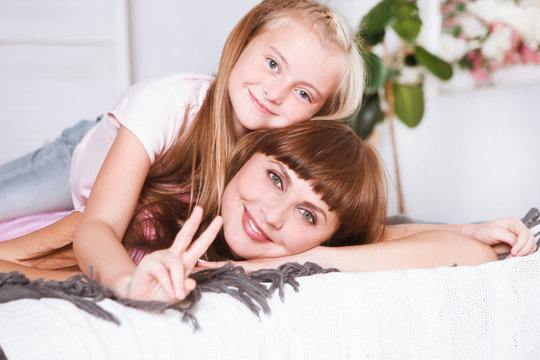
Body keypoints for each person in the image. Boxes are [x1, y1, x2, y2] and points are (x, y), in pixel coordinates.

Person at [0, 0, 364, 293]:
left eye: (303, 93)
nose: (275, 92)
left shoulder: (270, 158)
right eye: (272, 64)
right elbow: (98, 225)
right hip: (77, 160)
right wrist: (127, 286)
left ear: (319, 114)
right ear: (243, 42)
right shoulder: (166, 105)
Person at [0, 121, 524, 304]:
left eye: (309, 215)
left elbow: (462, 251)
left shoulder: (294, 252)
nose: (273, 216)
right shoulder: (150, 210)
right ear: (245, 155)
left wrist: (248, 269)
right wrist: (122, 281)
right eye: (275, 177)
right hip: (86, 148)